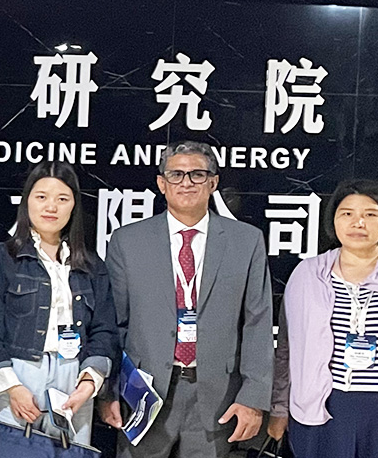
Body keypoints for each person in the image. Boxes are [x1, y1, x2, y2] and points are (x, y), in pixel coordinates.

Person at [98, 140, 273, 458]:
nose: (187, 183)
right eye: (176, 175)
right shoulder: (128, 241)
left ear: (213, 182)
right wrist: (109, 391)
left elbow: (257, 325)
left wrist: (253, 398)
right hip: (142, 395)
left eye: (197, 174)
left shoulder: (246, 241)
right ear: (161, 183)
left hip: (218, 397)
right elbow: (114, 324)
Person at [269, 179, 378, 458]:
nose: (358, 223)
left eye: (370, 214)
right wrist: (279, 408)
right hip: (319, 409)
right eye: (347, 213)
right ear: (333, 219)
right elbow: (286, 349)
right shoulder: (307, 274)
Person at [0, 162, 120, 456]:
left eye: (62, 198)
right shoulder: (2, 258)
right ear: (27, 201)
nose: (51, 207)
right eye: (41, 197)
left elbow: (105, 330)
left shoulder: (91, 265)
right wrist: (12, 387)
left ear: (74, 206)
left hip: (74, 379)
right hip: (17, 376)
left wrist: (89, 383)